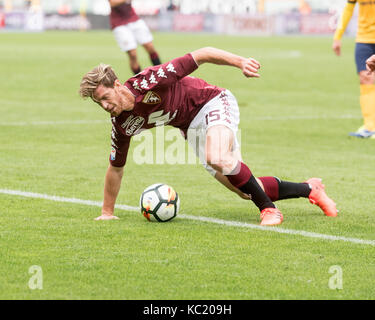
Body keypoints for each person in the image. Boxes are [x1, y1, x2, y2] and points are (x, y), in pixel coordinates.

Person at [79, 47, 338, 225]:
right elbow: (116, 168)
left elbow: (201, 54)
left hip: (212, 102)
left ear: (116, 85)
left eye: (104, 97)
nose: (104, 105)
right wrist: (107, 212)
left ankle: (269, 210)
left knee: (218, 157)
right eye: (97, 102)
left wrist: (240, 63)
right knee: (244, 189)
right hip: (191, 127)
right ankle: (310, 189)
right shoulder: (122, 123)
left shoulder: (150, 80)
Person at [332, 0, 375, 139]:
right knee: (365, 78)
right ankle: (370, 127)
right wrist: (338, 36)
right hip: (363, 40)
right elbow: (348, 9)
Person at [108, 0, 161, 74]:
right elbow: (112, 3)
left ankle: (161, 74)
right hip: (119, 24)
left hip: (134, 19)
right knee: (133, 54)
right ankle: (140, 81)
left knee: (150, 47)